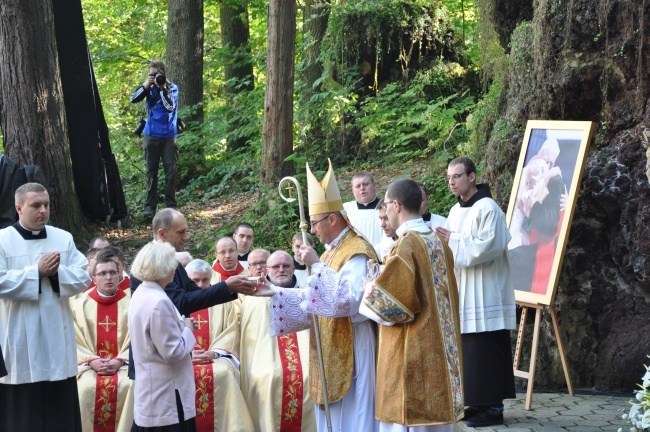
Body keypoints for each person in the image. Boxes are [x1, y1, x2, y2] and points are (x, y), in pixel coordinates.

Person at [259, 160, 379, 432]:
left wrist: (316, 264)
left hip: (353, 342)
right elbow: (315, 300)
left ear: (332, 219)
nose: (312, 230)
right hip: (328, 340)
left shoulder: (356, 250)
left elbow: (348, 301)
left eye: (315, 223)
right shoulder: (329, 251)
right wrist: (275, 292)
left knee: (353, 415)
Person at [361, 178, 463, 431]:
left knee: (410, 420)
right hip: (442, 348)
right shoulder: (438, 241)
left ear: (396, 205)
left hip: (414, 350)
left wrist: (369, 289)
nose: (385, 210)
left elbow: (393, 306)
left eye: (385, 205)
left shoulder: (407, 245)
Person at [0, 182, 91, 431]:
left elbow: (84, 276)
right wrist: (36, 273)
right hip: (18, 336)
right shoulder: (3, 240)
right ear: (19, 208)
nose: (43, 210)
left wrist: (54, 275)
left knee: (59, 410)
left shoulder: (63, 238)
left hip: (56, 339)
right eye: (36, 205)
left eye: (47, 205)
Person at [128, 208, 257, 381]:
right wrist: (227, 286)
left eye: (186, 231)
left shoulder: (169, 258)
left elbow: (192, 291)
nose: (186, 236)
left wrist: (232, 287)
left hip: (169, 356)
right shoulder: (152, 261)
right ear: (162, 233)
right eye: (180, 232)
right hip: (156, 360)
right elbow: (180, 302)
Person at [435, 157, 516, 428]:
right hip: (464, 289)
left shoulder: (489, 208)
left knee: (487, 349)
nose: (452, 181)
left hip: (486, 290)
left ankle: (493, 408)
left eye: (457, 176)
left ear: (472, 176)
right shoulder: (455, 211)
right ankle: (477, 403)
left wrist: (453, 241)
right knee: (471, 351)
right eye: (449, 177)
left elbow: (487, 247)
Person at [239, 250, 315, 432]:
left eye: (286, 266)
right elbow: (250, 340)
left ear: (294, 268)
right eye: (275, 266)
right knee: (267, 378)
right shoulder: (253, 299)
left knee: (309, 378)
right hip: (264, 360)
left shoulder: (306, 295)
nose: (281, 270)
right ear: (267, 270)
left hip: (306, 360)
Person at [128, 242, 198, 431]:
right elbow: (173, 352)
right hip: (167, 394)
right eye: (170, 263)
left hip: (152, 389)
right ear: (160, 267)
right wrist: (188, 330)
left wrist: (182, 327)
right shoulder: (159, 301)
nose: (175, 268)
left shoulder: (141, 293)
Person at [184, 259, 254, 432]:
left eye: (205, 280)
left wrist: (214, 353)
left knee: (223, 373)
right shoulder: (177, 302)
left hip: (214, 357)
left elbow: (231, 333)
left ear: (211, 279)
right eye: (195, 281)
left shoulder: (223, 301)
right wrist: (186, 354)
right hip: (181, 358)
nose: (201, 285)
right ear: (187, 280)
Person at [71, 256, 133, 432]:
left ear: (120, 275)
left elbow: (140, 340)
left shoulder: (132, 304)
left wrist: (120, 360)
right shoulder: (79, 306)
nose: (109, 278)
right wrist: (91, 360)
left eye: (113, 273)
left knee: (131, 385)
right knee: (84, 388)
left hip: (123, 365)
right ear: (93, 278)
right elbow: (73, 341)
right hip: (89, 366)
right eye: (103, 273)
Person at [130, 60, 180, 218]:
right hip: (151, 134)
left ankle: (171, 206)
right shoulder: (148, 88)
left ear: (164, 73)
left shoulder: (172, 88)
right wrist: (146, 85)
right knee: (151, 172)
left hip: (169, 136)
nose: (155, 77)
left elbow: (170, 107)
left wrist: (163, 88)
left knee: (170, 172)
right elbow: (133, 99)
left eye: (157, 74)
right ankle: (150, 207)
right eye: (151, 74)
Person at [342, 171, 383, 257]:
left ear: (374, 185)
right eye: (358, 186)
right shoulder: (345, 210)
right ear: (352, 190)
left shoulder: (386, 208)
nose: (362, 188)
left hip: (382, 258)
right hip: (354, 257)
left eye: (365, 184)